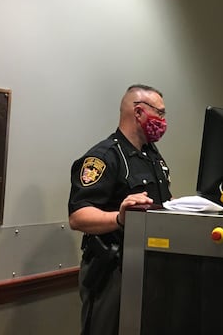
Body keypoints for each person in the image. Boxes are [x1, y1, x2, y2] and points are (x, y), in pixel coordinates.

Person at [67, 84, 172, 335]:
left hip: (149, 265)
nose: (163, 121)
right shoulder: (104, 157)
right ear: (139, 112)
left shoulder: (152, 156)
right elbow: (78, 217)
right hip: (112, 269)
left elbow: (160, 200)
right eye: (160, 113)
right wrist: (119, 217)